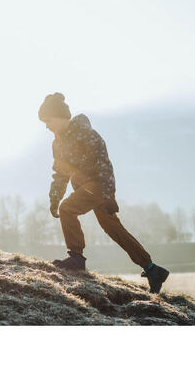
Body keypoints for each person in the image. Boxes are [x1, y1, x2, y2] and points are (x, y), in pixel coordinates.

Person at [38, 92, 170, 293]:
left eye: (48, 120)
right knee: (113, 229)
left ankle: (76, 258)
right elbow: (60, 173)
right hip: (85, 188)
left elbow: (104, 165)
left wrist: (109, 195)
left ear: (60, 116)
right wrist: (54, 197)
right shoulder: (57, 143)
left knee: (68, 209)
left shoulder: (86, 134)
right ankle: (152, 269)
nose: (46, 126)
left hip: (98, 187)